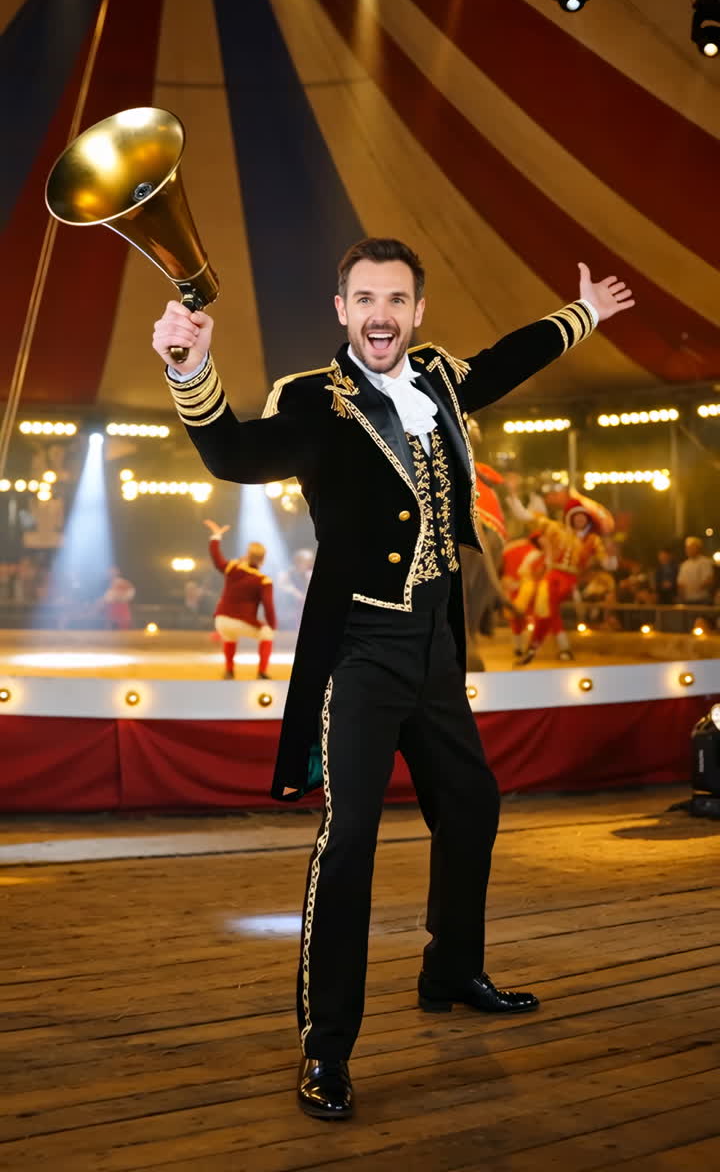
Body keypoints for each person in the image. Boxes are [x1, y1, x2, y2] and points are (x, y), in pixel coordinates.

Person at [152, 238, 634, 1119]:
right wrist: (191, 365)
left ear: (416, 311)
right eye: (365, 298)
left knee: (473, 803)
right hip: (362, 648)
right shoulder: (311, 398)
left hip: (435, 647)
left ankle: (451, 970)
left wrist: (585, 316)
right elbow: (232, 453)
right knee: (353, 842)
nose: (382, 314)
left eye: (397, 300)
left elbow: (503, 362)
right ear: (342, 308)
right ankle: (326, 1049)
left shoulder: (442, 376)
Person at [507, 484, 612, 663]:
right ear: (570, 518)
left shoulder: (593, 540)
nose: (580, 520)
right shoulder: (557, 529)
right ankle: (554, 649)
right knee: (548, 609)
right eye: (577, 516)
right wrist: (513, 494)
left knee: (546, 606)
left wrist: (611, 555)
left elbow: (608, 564)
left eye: (583, 517)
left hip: (569, 579)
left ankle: (536, 648)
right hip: (552, 575)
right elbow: (525, 516)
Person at [204, 521, 276, 679]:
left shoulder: (232, 568)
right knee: (267, 634)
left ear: (247, 555)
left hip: (221, 620)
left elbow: (217, 559)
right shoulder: (263, 580)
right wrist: (272, 625)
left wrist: (216, 536)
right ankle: (262, 672)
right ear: (262, 559)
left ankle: (229, 671)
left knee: (229, 636)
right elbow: (268, 606)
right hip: (242, 620)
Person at [500, 532, 545, 658]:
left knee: (520, 619)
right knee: (522, 618)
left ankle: (522, 648)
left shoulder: (510, 549)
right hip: (523, 588)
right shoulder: (536, 553)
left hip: (521, 588)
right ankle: (523, 648)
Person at [277, 548, 315, 630]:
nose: (310, 565)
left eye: (310, 562)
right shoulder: (285, 574)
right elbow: (281, 588)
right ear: (297, 562)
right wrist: (293, 591)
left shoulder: (309, 575)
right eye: (306, 562)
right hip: (288, 612)